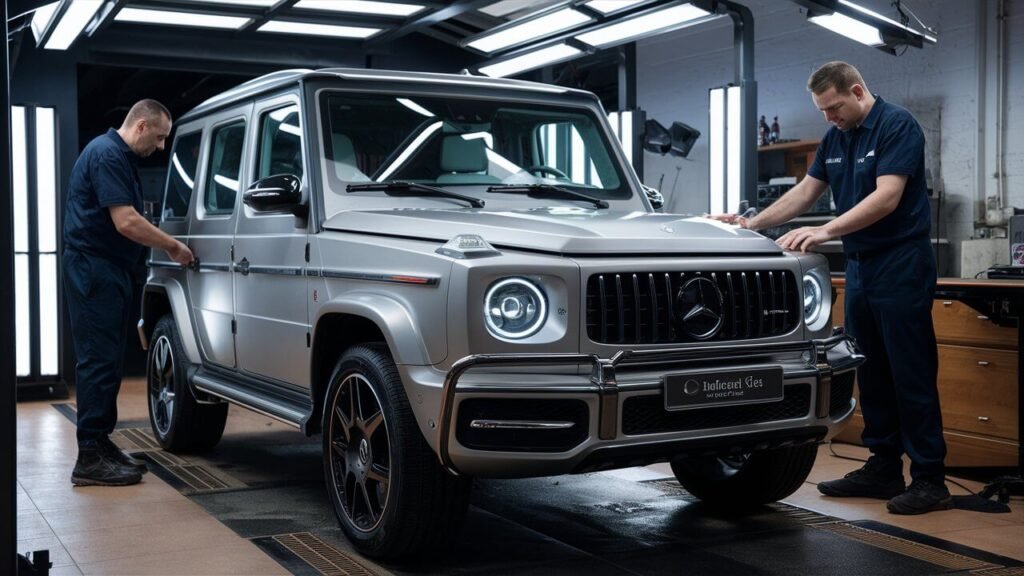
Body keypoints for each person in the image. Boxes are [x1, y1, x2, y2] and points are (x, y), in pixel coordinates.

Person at [709, 61, 950, 514]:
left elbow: (887, 196)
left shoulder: (897, 126)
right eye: (822, 110)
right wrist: (751, 223)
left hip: (900, 264)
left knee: (909, 372)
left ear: (857, 91)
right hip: (860, 267)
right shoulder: (836, 137)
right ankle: (882, 467)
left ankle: (930, 479)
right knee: (871, 369)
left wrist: (824, 232)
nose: (828, 118)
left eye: (834, 107)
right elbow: (805, 192)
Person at [63, 99, 194, 486]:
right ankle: (89, 455)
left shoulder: (117, 157)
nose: (161, 147)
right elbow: (126, 221)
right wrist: (172, 245)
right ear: (140, 126)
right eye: (159, 137)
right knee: (97, 361)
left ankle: (100, 443)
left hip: (107, 270)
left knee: (107, 362)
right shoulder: (107, 155)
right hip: (94, 270)